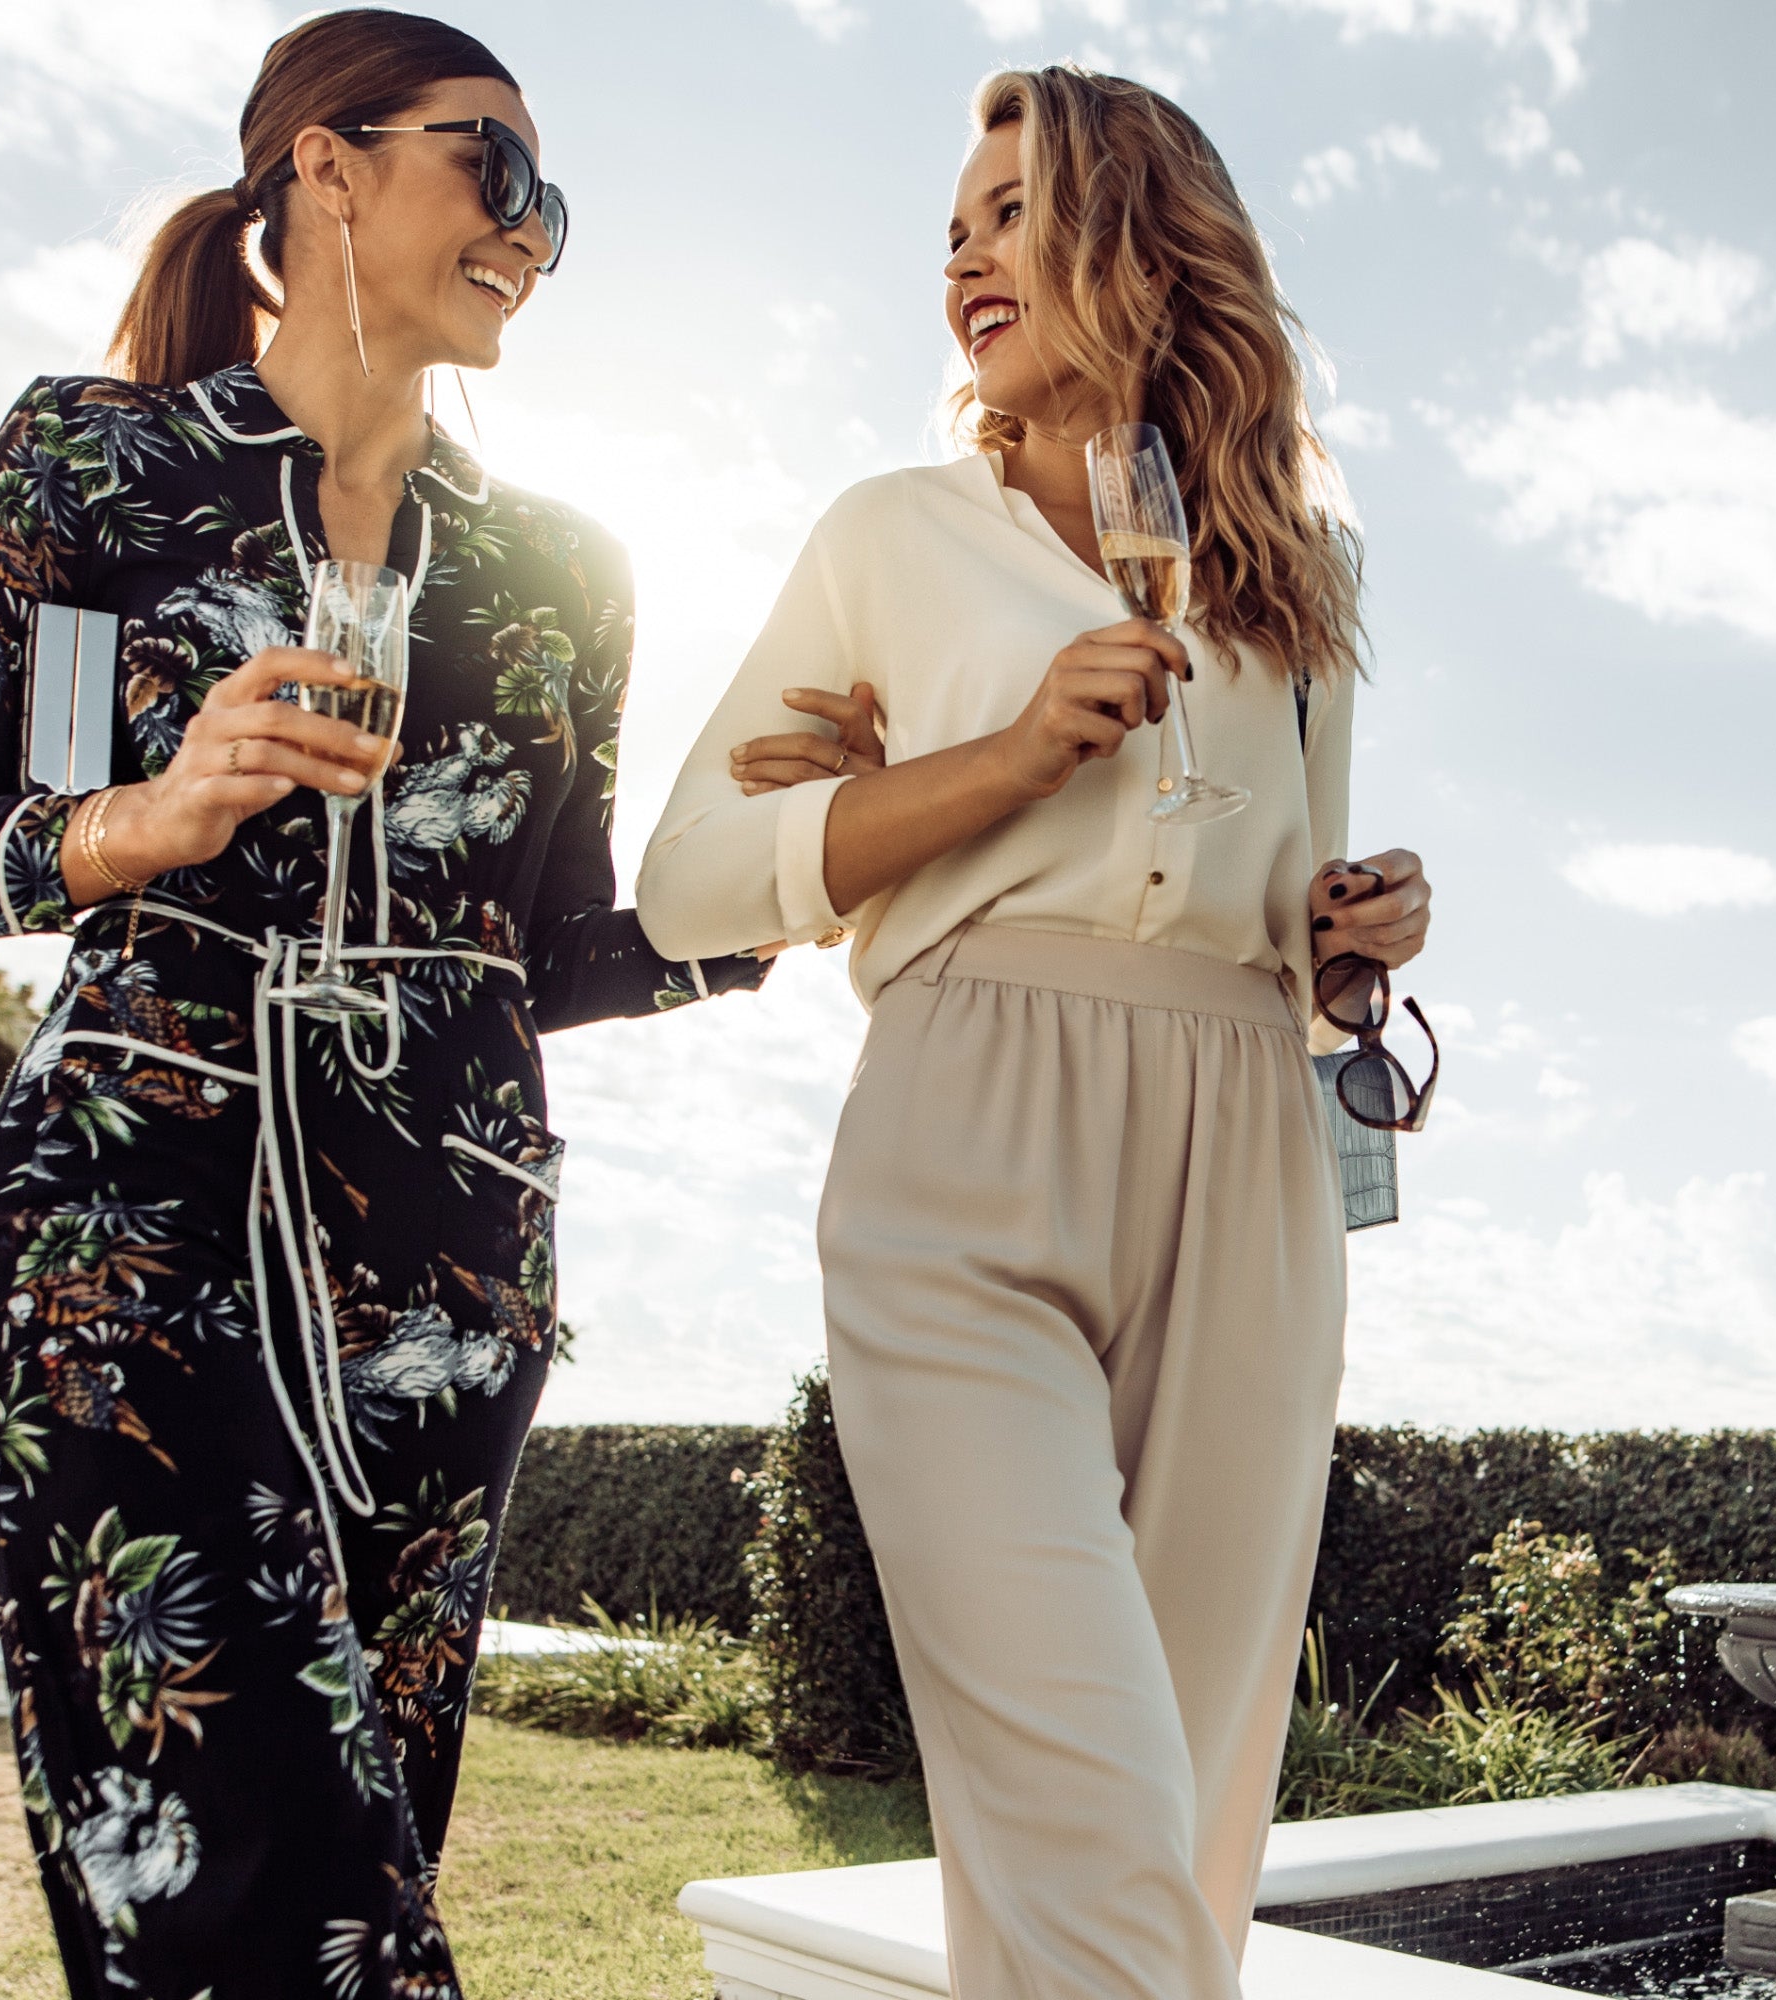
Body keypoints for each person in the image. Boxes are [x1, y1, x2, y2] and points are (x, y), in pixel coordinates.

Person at [0, 13, 761, 1994]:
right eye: (494, 167)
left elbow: (548, 948)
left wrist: (795, 889)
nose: (531, 228)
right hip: (129, 1200)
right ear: (322, 165)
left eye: (557, 203)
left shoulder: (562, 569)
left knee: (369, 1852)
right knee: (247, 1871)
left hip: (448, 1253)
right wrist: (141, 818)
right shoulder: (103, 464)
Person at [637, 64, 1436, 2000]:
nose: (966, 263)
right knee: (1075, 1774)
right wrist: (1002, 758)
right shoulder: (889, 534)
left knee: (1190, 1784)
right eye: (952, 232)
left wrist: (1355, 944)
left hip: (1246, 1137)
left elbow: (1294, 911)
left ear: (1142, 242)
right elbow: (686, 883)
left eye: (1013, 214)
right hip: (967, 1117)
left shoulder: (1298, 570)